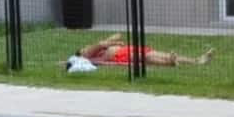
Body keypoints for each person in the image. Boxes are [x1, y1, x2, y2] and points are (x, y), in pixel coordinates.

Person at [72, 32, 214, 68]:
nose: (86, 47)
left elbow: (117, 35)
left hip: (126, 50)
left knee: (156, 54)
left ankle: (197, 60)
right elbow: (103, 43)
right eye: (83, 49)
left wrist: (112, 41)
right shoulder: (88, 55)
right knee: (145, 58)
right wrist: (114, 43)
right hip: (120, 56)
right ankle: (170, 63)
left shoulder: (98, 50)